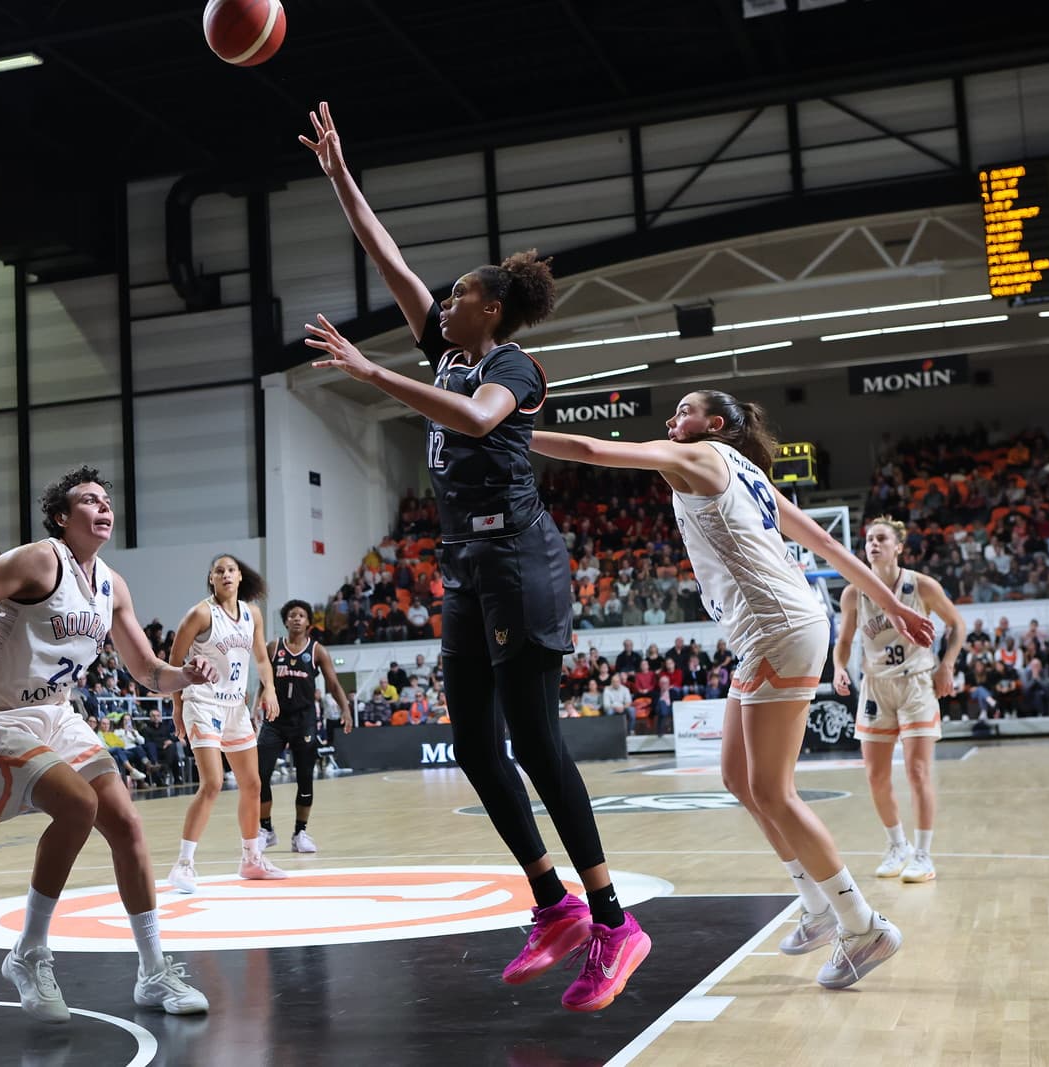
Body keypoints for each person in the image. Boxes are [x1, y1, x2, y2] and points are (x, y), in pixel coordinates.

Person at [300, 100, 650, 1013]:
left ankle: (615, 921)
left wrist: (372, 374)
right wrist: (341, 175)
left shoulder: (513, 370)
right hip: (464, 567)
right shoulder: (449, 353)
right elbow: (392, 258)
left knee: (536, 742)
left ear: (491, 308)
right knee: (471, 743)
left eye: (457, 294)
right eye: (446, 295)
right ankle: (553, 903)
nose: (443, 301)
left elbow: (481, 421)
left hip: (522, 561)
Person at [532, 389, 934, 990]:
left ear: (714, 425)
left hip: (779, 627)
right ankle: (819, 904)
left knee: (774, 790)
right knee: (738, 780)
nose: (672, 421)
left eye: (683, 412)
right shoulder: (747, 472)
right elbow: (824, 547)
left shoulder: (703, 457)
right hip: (766, 630)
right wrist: (892, 606)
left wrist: (503, 432)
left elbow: (591, 448)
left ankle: (862, 924)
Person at [0, 467, 213, 1022]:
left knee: (126, 825)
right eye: (89, 500)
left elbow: (149, 672)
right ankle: (29, 952)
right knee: (78, 805)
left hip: (54, 714)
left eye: (107, 501)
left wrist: (187, 675)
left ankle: (154, 973)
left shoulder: (113, 586)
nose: (104, 508)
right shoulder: (38, 559)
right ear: (62, 516)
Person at [831, 516, 963, 887]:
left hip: (917, 684)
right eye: (869, 539)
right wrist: (839, 668)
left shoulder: (920, 586)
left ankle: (923, 854)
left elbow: (958, 624)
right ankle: (897, 846)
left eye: (881, 538)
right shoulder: (853, 592)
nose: (873, 544)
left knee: (917, 771)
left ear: (898, 547)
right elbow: (843, 642)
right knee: (875, 775)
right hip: (875, 687)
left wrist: (947, 665)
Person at [166, 554, 287, 892]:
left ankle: (251, 859)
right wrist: (177, 708)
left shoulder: (253, 614)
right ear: (211, 579)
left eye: (231, 569)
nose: (226, 574)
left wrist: (270, 690)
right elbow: (174, 663)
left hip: (235, 706)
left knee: (252, 784)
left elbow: (261, 657)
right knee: (213, 783)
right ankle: (184, 865)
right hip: (202, 704)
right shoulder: (201, 613)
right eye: (219, 570)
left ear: (239, 577)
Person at [259, 599, 352, 854]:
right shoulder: (273, 647)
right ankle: (266, 830)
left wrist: (345, 709)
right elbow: (265, 681)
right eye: (292, 615)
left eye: (301, 615)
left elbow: (333, 684)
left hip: (304, 721)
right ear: (286, 621)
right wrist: (258, 703)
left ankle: (300, 833)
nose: (297, 618)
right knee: (260, 775)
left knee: (305, 779)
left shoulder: (317, 650)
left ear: (308, 622)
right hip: (274, 719)